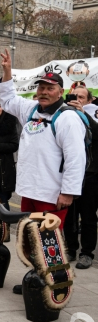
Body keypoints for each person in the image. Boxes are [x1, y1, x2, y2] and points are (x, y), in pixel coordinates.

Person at [0, 49, 87, 294]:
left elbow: (76, 159)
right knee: (29, 239)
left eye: (49, 88)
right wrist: (6, 72)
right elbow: (8, 100)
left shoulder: (68, 118)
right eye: (41, 88)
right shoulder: (32, 110)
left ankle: (53, 286)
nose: (43, 92)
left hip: (52, 193)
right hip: (29, 190)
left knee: (49, 242)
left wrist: (68, 193)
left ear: (61, 92)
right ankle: (35, 279)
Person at [62, 85, 98, 269]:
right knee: (69, 215)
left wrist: (84, 114)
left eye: (82, 97)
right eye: (74, 96)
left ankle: (87, 252)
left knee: (88, 216)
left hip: (90, 175)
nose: (77, 100)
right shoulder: (64, 116)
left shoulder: (92, 117)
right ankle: (70, 248)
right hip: (68, 174)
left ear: (89, 101)